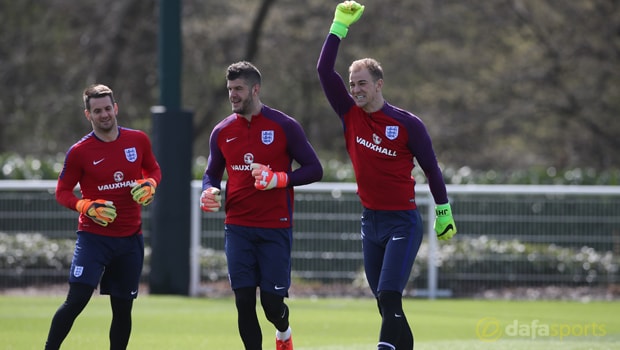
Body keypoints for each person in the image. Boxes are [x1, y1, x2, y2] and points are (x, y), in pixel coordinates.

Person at [317, 2, 457, 350]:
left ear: (379, 84)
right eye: (352, 85)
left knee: (390, 295)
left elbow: (431, 169)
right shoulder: (349, 114)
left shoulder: (407, 124)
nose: (356, 90)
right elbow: (323, 69)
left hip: (402, 223)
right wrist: (338, 27)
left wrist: (443, 210)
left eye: (362, 83)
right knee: (384, 302)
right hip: (370, 222)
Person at [200, 61, 323, 350]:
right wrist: (209, 191)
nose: (233, 94)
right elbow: (211, 173)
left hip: (275, 227)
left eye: (239, 89)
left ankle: (283, 331)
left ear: (255, 89)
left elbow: (314, 169)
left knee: (271, 304)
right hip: (238, 227)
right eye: (230, 89)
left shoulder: (285, 125)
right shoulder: (221, 131)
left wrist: (279, 179)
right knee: (243, 301)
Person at [45, 84, 162, 350]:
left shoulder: (138, 140)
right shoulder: (79, 152)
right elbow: (62, 192)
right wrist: (85, 206)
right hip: (93, 239)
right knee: (76, 300)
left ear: (116, 108)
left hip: (130, 239)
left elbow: (154, 169)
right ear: (88, 115)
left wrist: (151, 184)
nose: (104, 114)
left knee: (123, 309)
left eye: (107, 108)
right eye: (97, 111)